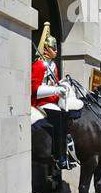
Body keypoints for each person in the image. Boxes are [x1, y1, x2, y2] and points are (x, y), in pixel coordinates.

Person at [31, 21, 83, 169]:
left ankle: (66, 152)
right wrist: (56, 90)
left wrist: (63, 85)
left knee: (69, 116)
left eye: (55, 47)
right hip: (41, 102)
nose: (55, 50)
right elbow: (35, 89)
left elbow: (53, 84)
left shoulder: (52, 65)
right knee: (60, 120)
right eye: (53, 47)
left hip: (52, 100)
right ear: (46, 48)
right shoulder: (40, 65)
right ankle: (60, 157)